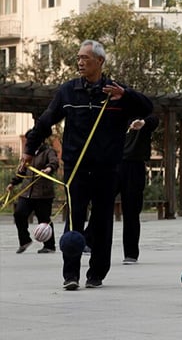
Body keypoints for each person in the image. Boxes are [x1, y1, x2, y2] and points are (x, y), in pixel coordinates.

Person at [21, 39, 153, 291]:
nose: (80, 62)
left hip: (107, 168)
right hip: (76, 168)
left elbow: (147, 107)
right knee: (74, 221)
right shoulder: (68, 92)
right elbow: (46, 121)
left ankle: (97, 273)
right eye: (78, 58)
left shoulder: (117, 92)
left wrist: (126, 95)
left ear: (100, 62)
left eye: (86, 58)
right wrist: (29, 150)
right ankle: (70, 274)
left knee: (103, 221)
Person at [115, 115, 159, 265]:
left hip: (135, 164)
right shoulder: (112, 112)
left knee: (131, 211)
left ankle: (131, 253)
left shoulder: (142, 112)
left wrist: (144, 122)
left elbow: (154, 120)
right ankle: (89, 241)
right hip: (113, 164)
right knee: (102, 205)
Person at [7, 135, 59, 254]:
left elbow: (54, 162)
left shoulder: (48, 151)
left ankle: (49, 246)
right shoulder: (27, 154)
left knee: (44, 219)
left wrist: (49, 169)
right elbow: (21, 171)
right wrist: (13, 183)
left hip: (43, 193)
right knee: (19, 214)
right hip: (26, 192)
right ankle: (24, 240)